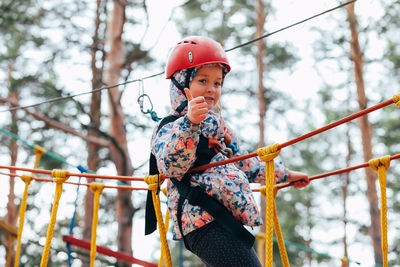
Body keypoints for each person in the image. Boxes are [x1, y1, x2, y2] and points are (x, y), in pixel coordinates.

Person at [149, 36, 309, 267]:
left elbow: (244, 161)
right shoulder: (170, 127)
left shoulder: (217, 126)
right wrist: (190, 124)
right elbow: (172, 165)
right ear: (181, 83)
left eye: (217, 83)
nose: (212, 89)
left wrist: (285, 175)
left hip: (222, 218)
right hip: (199, 218)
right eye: (202, 80)